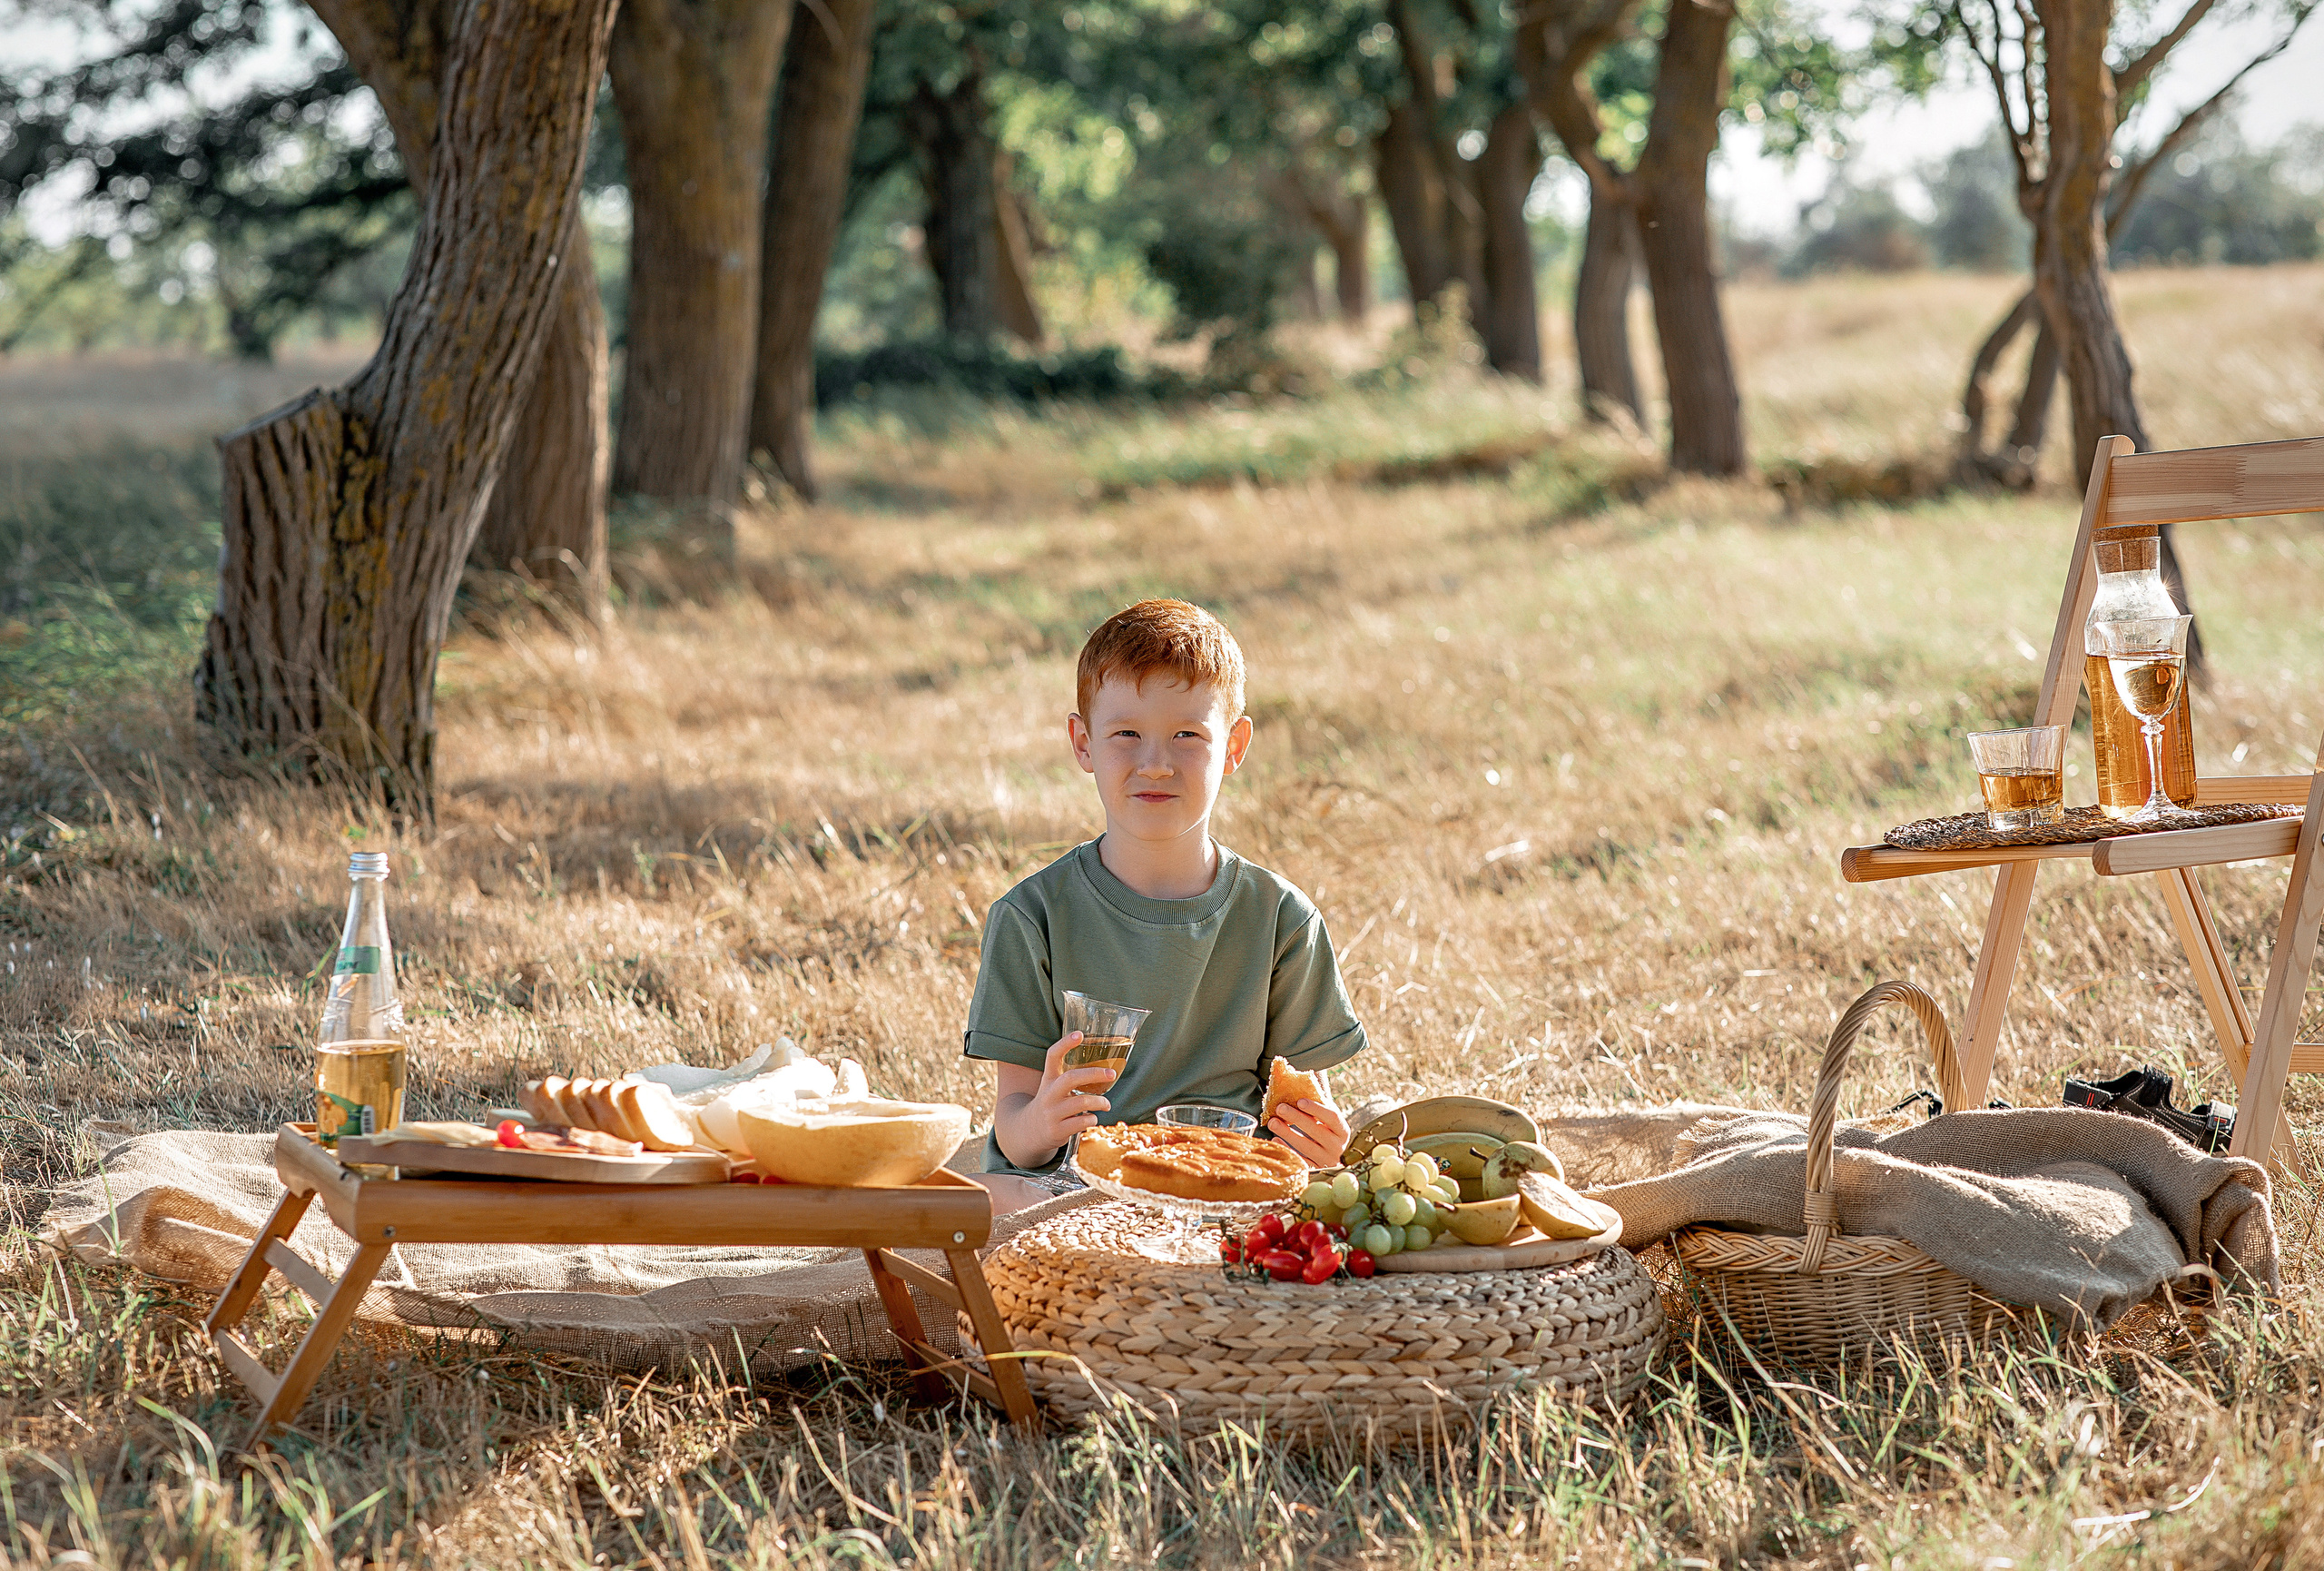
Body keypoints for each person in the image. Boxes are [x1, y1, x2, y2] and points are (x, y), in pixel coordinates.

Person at [963, 598, 1365, 1174]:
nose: (1155, 763)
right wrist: (1041, 1122)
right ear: (1083, 743)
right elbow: (1016, 1127)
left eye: (1186, 735)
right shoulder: (1032, 917)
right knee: (999, 1200)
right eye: (1126, 733)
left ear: (1234, 747)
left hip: (1224, 1174)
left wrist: (1321, 1145)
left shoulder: (1281, 918)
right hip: (1080, 1182)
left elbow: (1302, 1109)